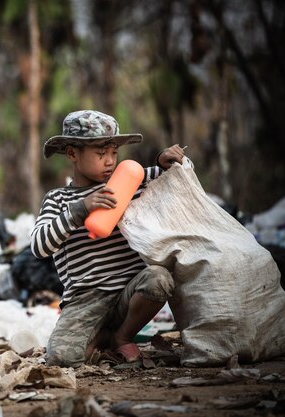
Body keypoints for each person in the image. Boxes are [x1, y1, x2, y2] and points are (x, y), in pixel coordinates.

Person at [31, 110, 185, 367]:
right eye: (101, 154)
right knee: (61, 358)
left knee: (159, 278)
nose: (110, 161)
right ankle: (101, 336)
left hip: (130, 292)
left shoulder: (126, 181)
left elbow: (160, 172)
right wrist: (80, 210)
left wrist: (162, 159)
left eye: (114, 153)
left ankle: (121, 337)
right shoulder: (58, 199)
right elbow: (39, 247)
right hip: (86, 300)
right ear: (72, 154)